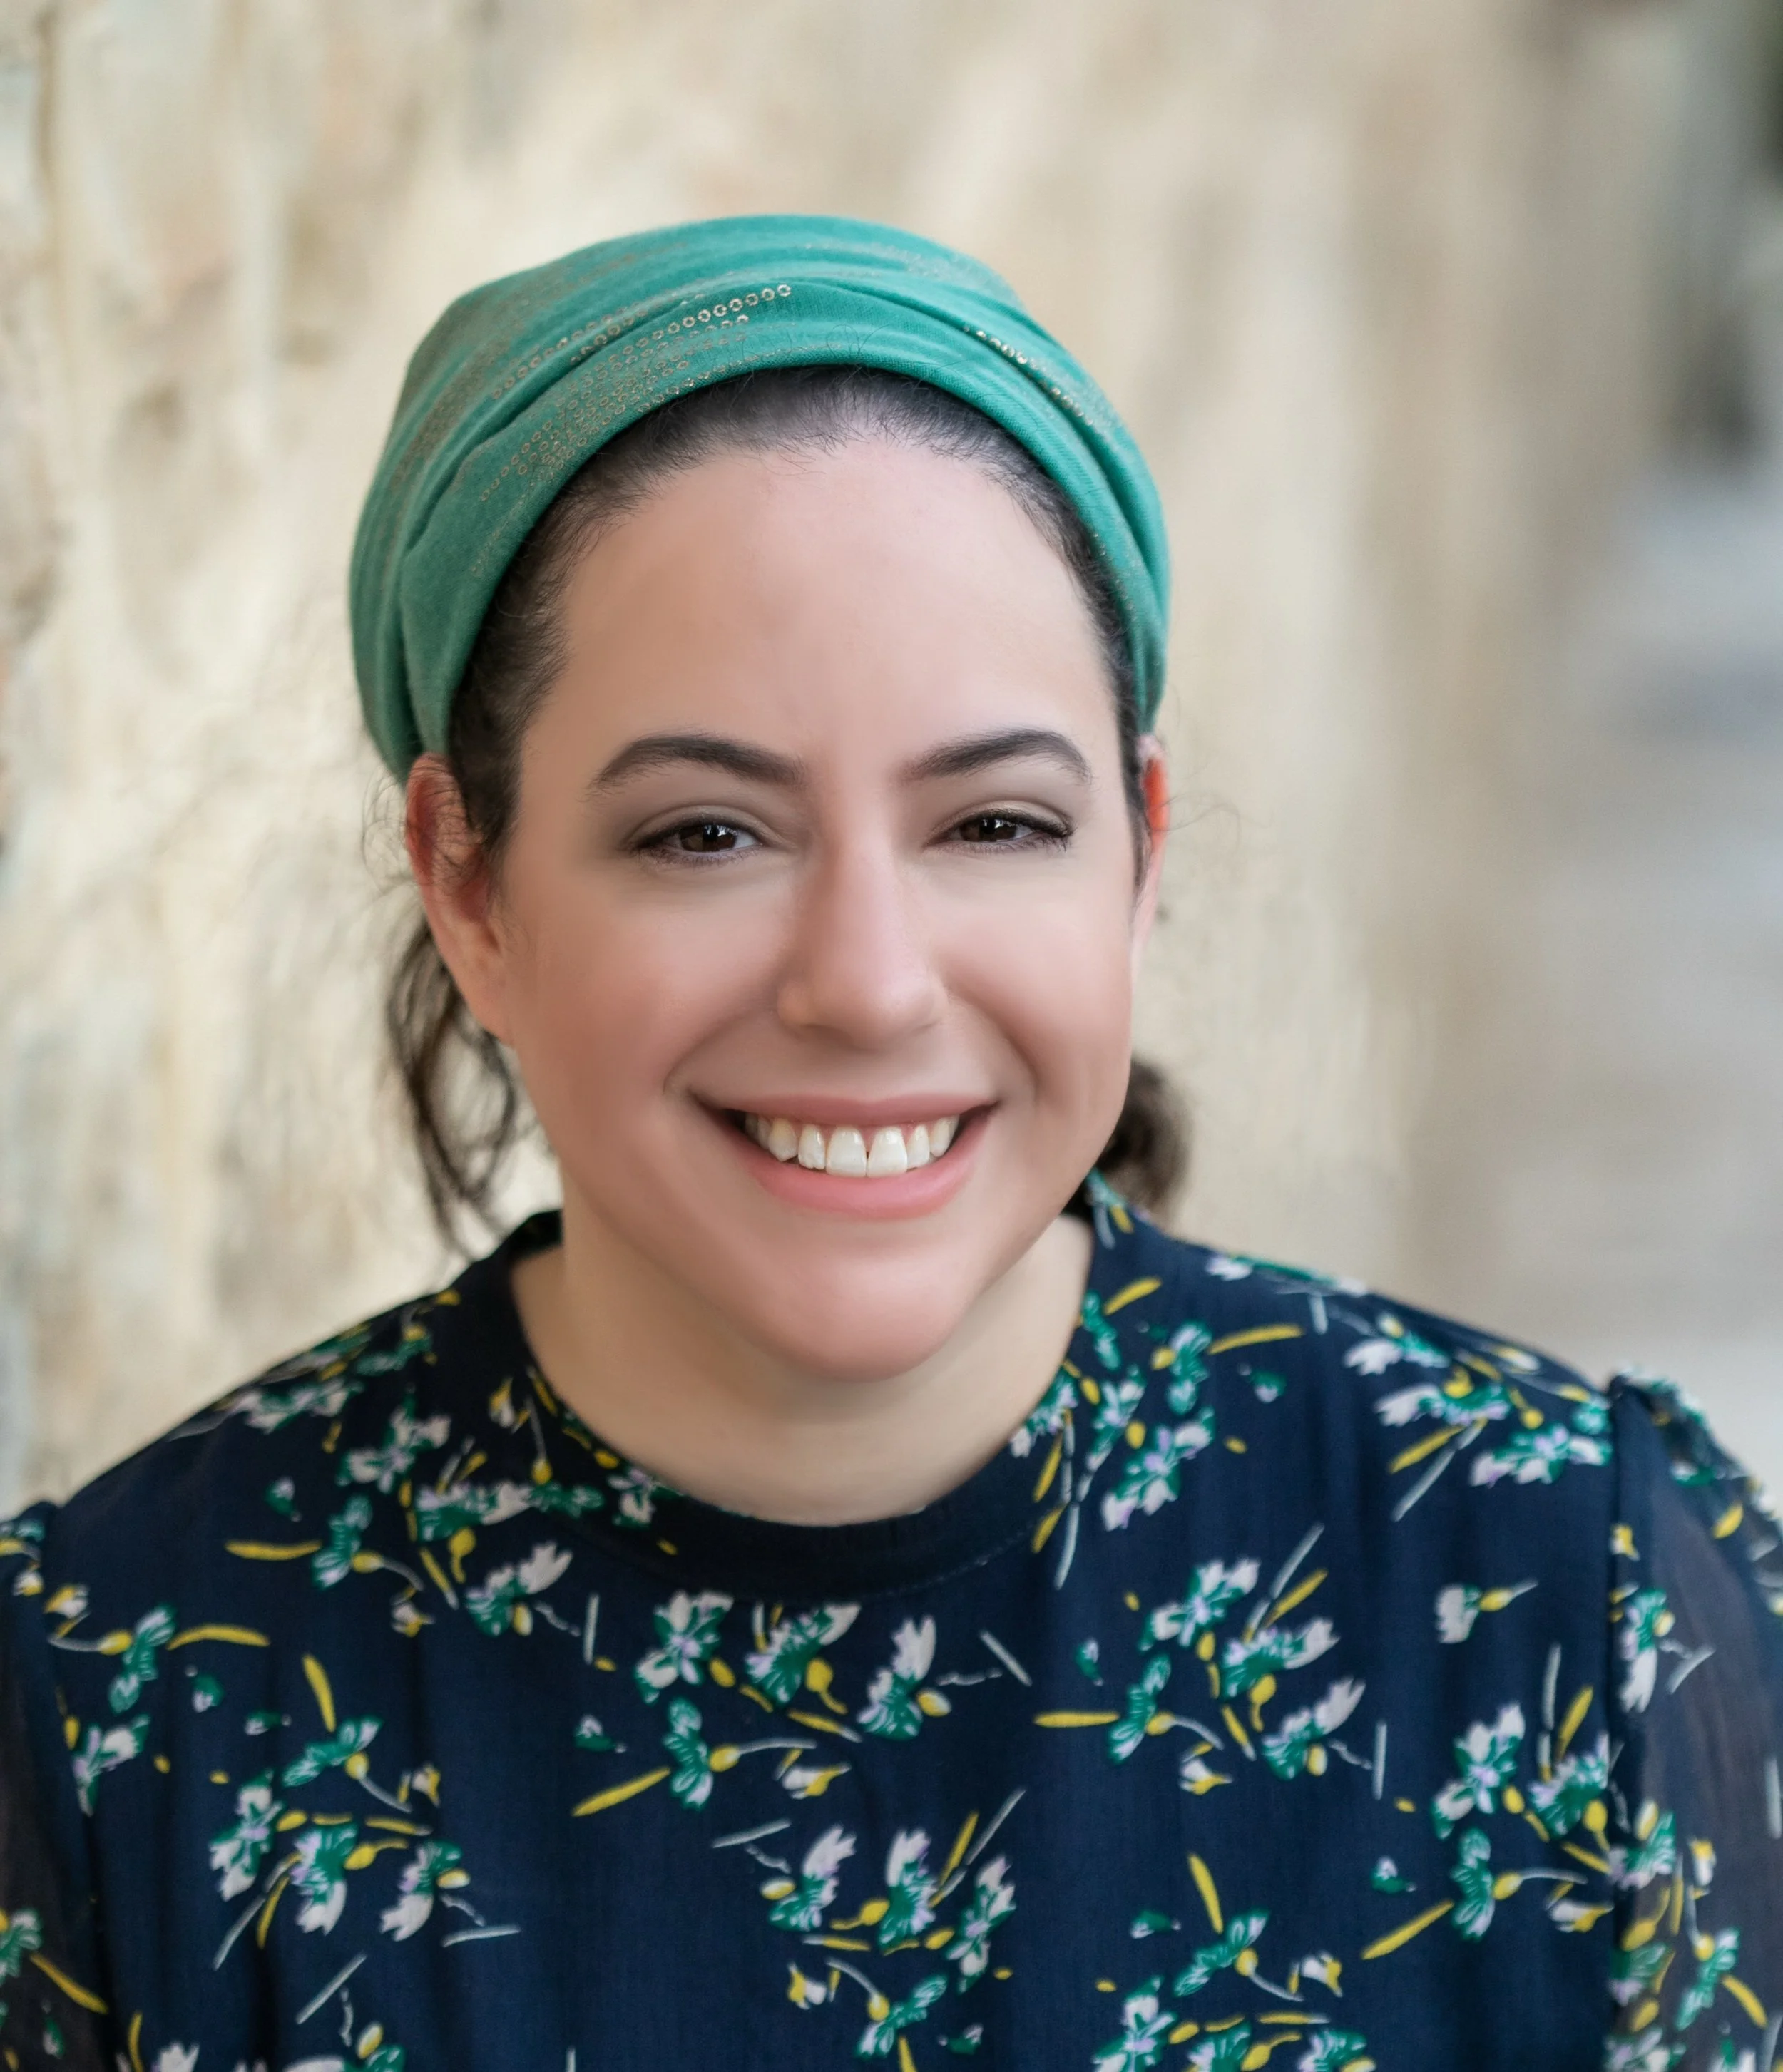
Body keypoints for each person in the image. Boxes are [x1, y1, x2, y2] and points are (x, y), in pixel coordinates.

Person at [0, 217, 1777, 2072]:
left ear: (1140, 851)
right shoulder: (122, 1715)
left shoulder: (1572, 1601)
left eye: (994, 825)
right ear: (469, 882)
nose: (864, 984)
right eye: (703, 833)